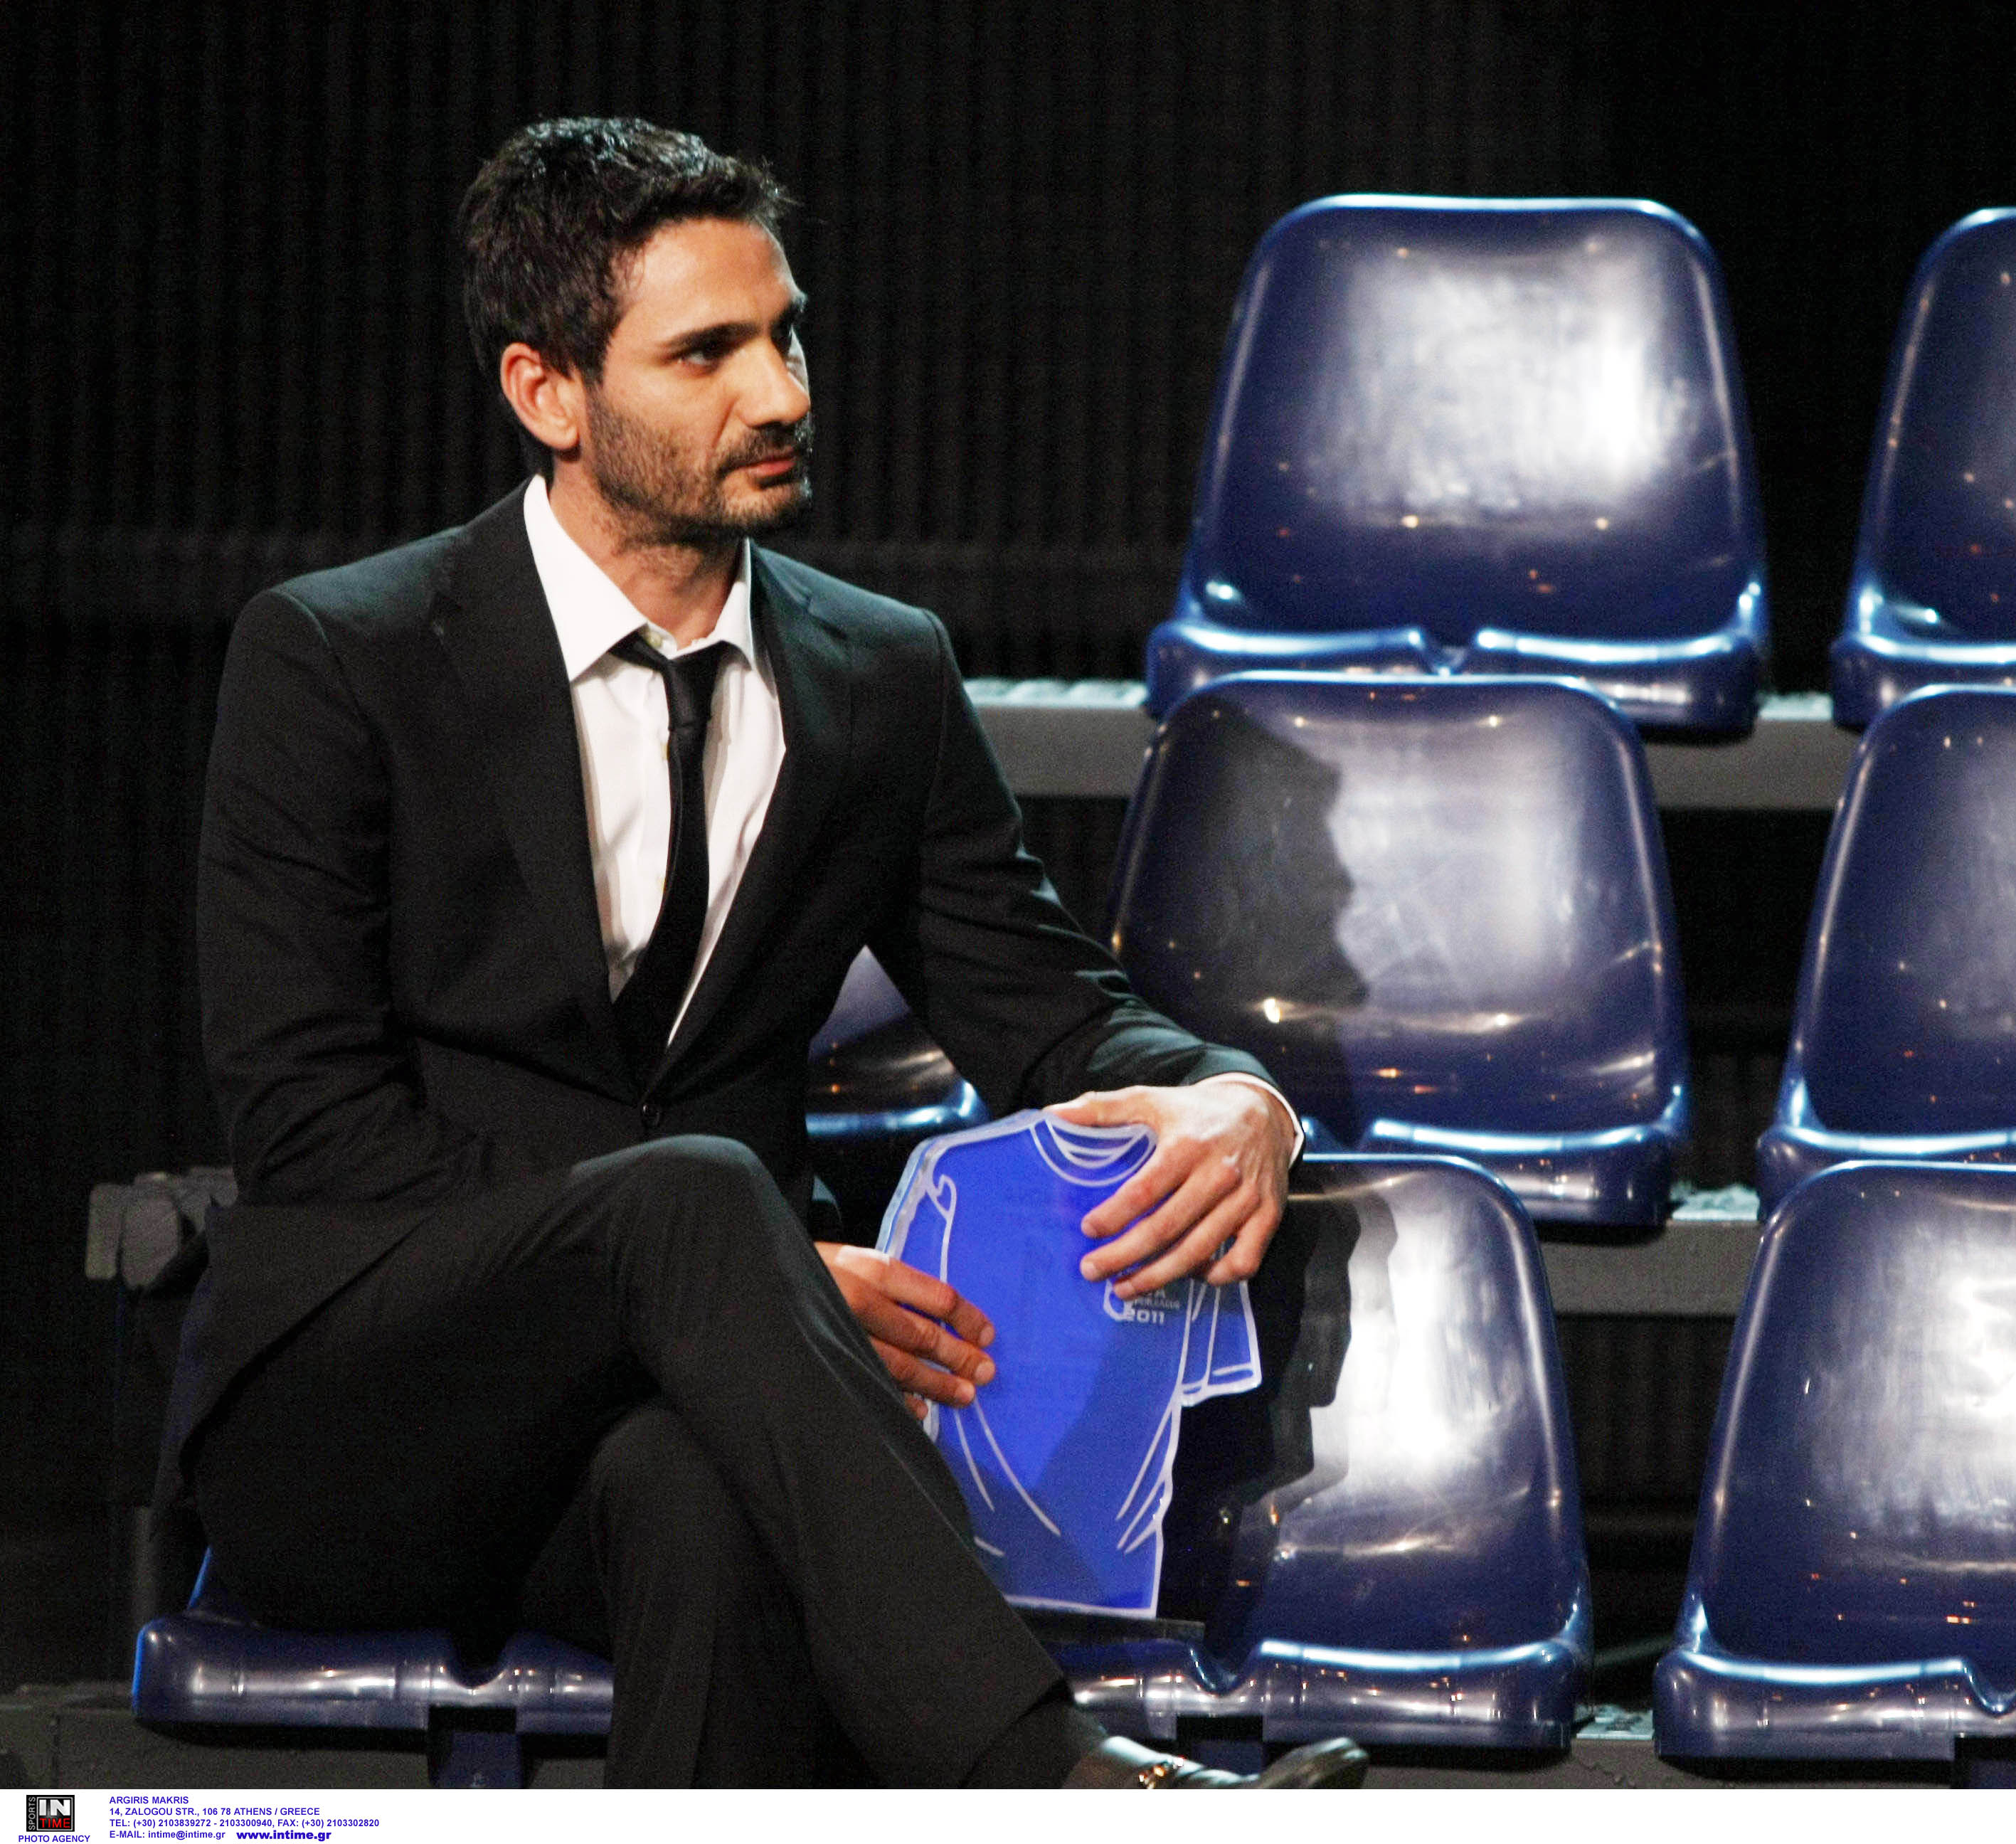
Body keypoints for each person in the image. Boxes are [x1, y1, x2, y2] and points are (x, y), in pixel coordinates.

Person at [164, 117, 1364, 1789]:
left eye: (786, 334)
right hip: (359, 1423)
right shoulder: (338, 657)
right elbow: (313, 1130)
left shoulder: (878, 676)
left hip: (670, 1428)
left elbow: (1043, 1010)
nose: (783, 391)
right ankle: (1056, 1782)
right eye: (707, 351)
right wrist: (741, 1268)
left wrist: (1236, 1098)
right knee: (702, 1196)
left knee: (711, 1507)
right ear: (548, 393)